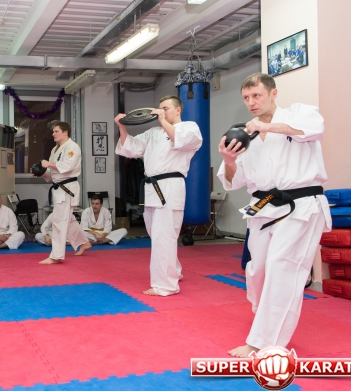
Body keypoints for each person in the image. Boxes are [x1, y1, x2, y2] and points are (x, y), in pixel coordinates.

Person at [217, 73, 331, 358]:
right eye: (246, 98)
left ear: (273, 93)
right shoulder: (246, 135)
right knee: (257, 271)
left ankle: (264, 343)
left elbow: (314, 130)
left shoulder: (299, 114)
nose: (251, 102)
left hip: (300, 206)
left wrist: (267, 126)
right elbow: (233, 181)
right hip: (263, 207)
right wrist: (229, 160)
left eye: (257, 95)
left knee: (282, 267)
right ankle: (266, 316)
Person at [115, 96, 202, 296]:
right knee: (157, 234)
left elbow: (180, 141)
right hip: (151, 187)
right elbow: (131, 148)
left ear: (178, 110)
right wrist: (122, 126)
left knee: (165, 236)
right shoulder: (153, 132)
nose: (160, 111)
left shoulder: (189, 128)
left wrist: (162, 120)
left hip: (170, 185)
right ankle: (174, 271)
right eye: (159, 108)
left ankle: (166, 285)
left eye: (166, 108)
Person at [33, 122, 91, 264]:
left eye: (56, 131)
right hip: (59, 188)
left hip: (67, 188)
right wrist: (41, 173)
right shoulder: (55, 149)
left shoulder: (72, 147)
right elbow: (52, 172)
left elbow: (67, 166)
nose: (53, 134)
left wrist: (48, 164)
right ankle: (83, 242)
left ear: (65, 132)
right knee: (68, 219)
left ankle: (56, 256)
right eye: (53, 131)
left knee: (59, 221)